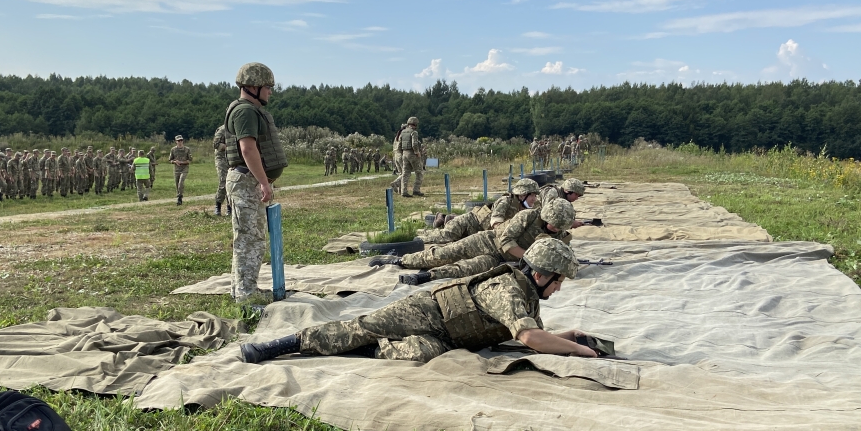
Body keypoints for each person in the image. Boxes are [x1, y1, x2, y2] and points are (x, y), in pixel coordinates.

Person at [239, 238, 612, 364]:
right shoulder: (509, 289)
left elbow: (528, 335)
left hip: (448, 336)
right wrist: (580, 352)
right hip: (427, 309)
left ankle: (353, 352)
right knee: (360, 328)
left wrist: (570, 336)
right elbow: (529, 339)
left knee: (418, 354)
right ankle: (280, 346)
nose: (559, 288)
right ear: (541, 273)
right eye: (559, 280)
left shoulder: (528, 299)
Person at [375, 198, 576, 285]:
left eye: (560, 227)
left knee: (463, 270)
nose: (555, 230)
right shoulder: (528, 217)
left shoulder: (560, 236)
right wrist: (529, 258)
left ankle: (426, 277)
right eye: (553, 225)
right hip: (488, 242)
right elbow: (506, 239)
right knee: (444, 253)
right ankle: (400, 261)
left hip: (499, 261)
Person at [224, 62, 288, 302]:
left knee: (250, 239)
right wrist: (263, 182)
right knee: (249, 240)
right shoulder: (245, 111)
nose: (271, 91)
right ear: (252, 86)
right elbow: (248, 149)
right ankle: (245, 293)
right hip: (246, 181)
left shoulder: (250, 110)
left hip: (248, 180)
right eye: (267, 87)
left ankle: (242, 289)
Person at [399, 116, 424, 196]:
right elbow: (414, 144)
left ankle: (404, 191)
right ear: (415, 124)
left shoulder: (403, 132)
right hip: (412, 154)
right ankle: (416, 190)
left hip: (404, 153)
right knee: (419, 172)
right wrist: (417, 152)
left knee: (405, 173)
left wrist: (402, 152)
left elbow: (399, 144)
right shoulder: (414, 132)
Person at [169, 135, 192, 206]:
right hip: (176, 169)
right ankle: (179, 198)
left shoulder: (187, 149)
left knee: (181, 182)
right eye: (178, 141)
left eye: (181, 140)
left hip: (184, 168)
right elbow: (170, 159)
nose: (180, 142)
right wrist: (175, 162)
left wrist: (182, 162)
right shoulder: (173, 149)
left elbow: (190, 160)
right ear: (176, 141)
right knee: (177, 184)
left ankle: (179, 197)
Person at [213, 125, 230, 215]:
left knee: (232, 182)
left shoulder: (237, 128)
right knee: (224, 181)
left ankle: (229, 207)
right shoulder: (223, 129)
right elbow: (216, 144)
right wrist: (229, 147)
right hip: (222, 158)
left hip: (232, 158)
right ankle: (218, 205)